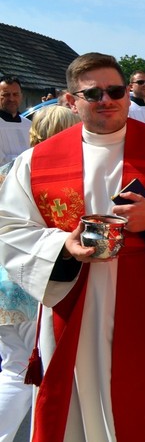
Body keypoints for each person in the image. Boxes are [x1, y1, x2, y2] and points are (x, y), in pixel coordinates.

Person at [0, 53, 145, 442]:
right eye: (92, 92)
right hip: (72, 299)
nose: (105, 99)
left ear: (127, 95)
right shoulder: (35, 162)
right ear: (72, 100)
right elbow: (10, 226)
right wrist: (62, 246)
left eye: (114, 90)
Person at [0, 104, 80, 442]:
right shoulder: (52, 176)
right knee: (25, 370)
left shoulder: (8, 168)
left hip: (5, 282)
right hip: (31, 286)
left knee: (13, 367)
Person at [0, 76, 32, 166]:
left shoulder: (29, 125)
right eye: (6, 95)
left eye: (15, 94)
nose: (11, 99)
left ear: (21, 96)